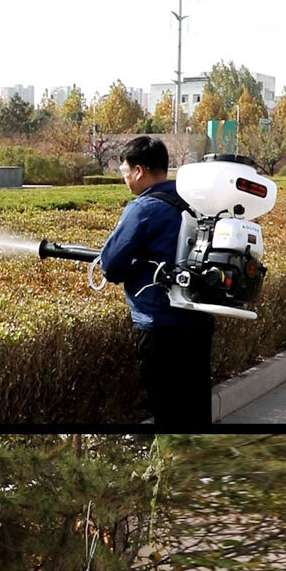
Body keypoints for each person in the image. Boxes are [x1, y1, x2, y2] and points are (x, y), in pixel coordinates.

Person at [98, 135, 215, 427]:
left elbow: (111, 265)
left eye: (124, 171)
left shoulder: (143, 208)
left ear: (139, 171)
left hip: (161, 328)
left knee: (168, 412)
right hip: (199, 322)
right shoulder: (193, 202)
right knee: (196, 407)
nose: (125, 178)